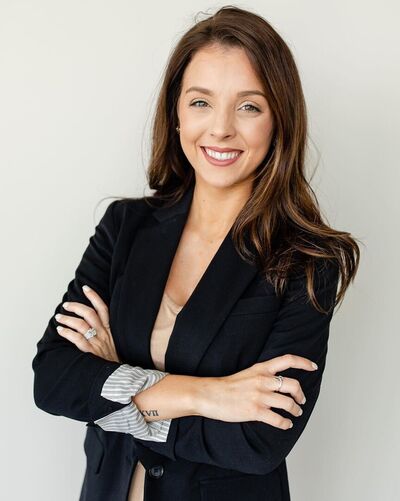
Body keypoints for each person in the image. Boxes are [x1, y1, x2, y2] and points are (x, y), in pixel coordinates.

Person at [32, 6, 360, 501]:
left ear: (279, 120)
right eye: (201, 102)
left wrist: (115, 379)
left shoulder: (307, 261)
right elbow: (54, 379)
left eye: (249, 107)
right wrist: (207, 394)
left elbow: (257, 441)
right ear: (177, 114)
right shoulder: (124, 227)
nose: (221, 128)